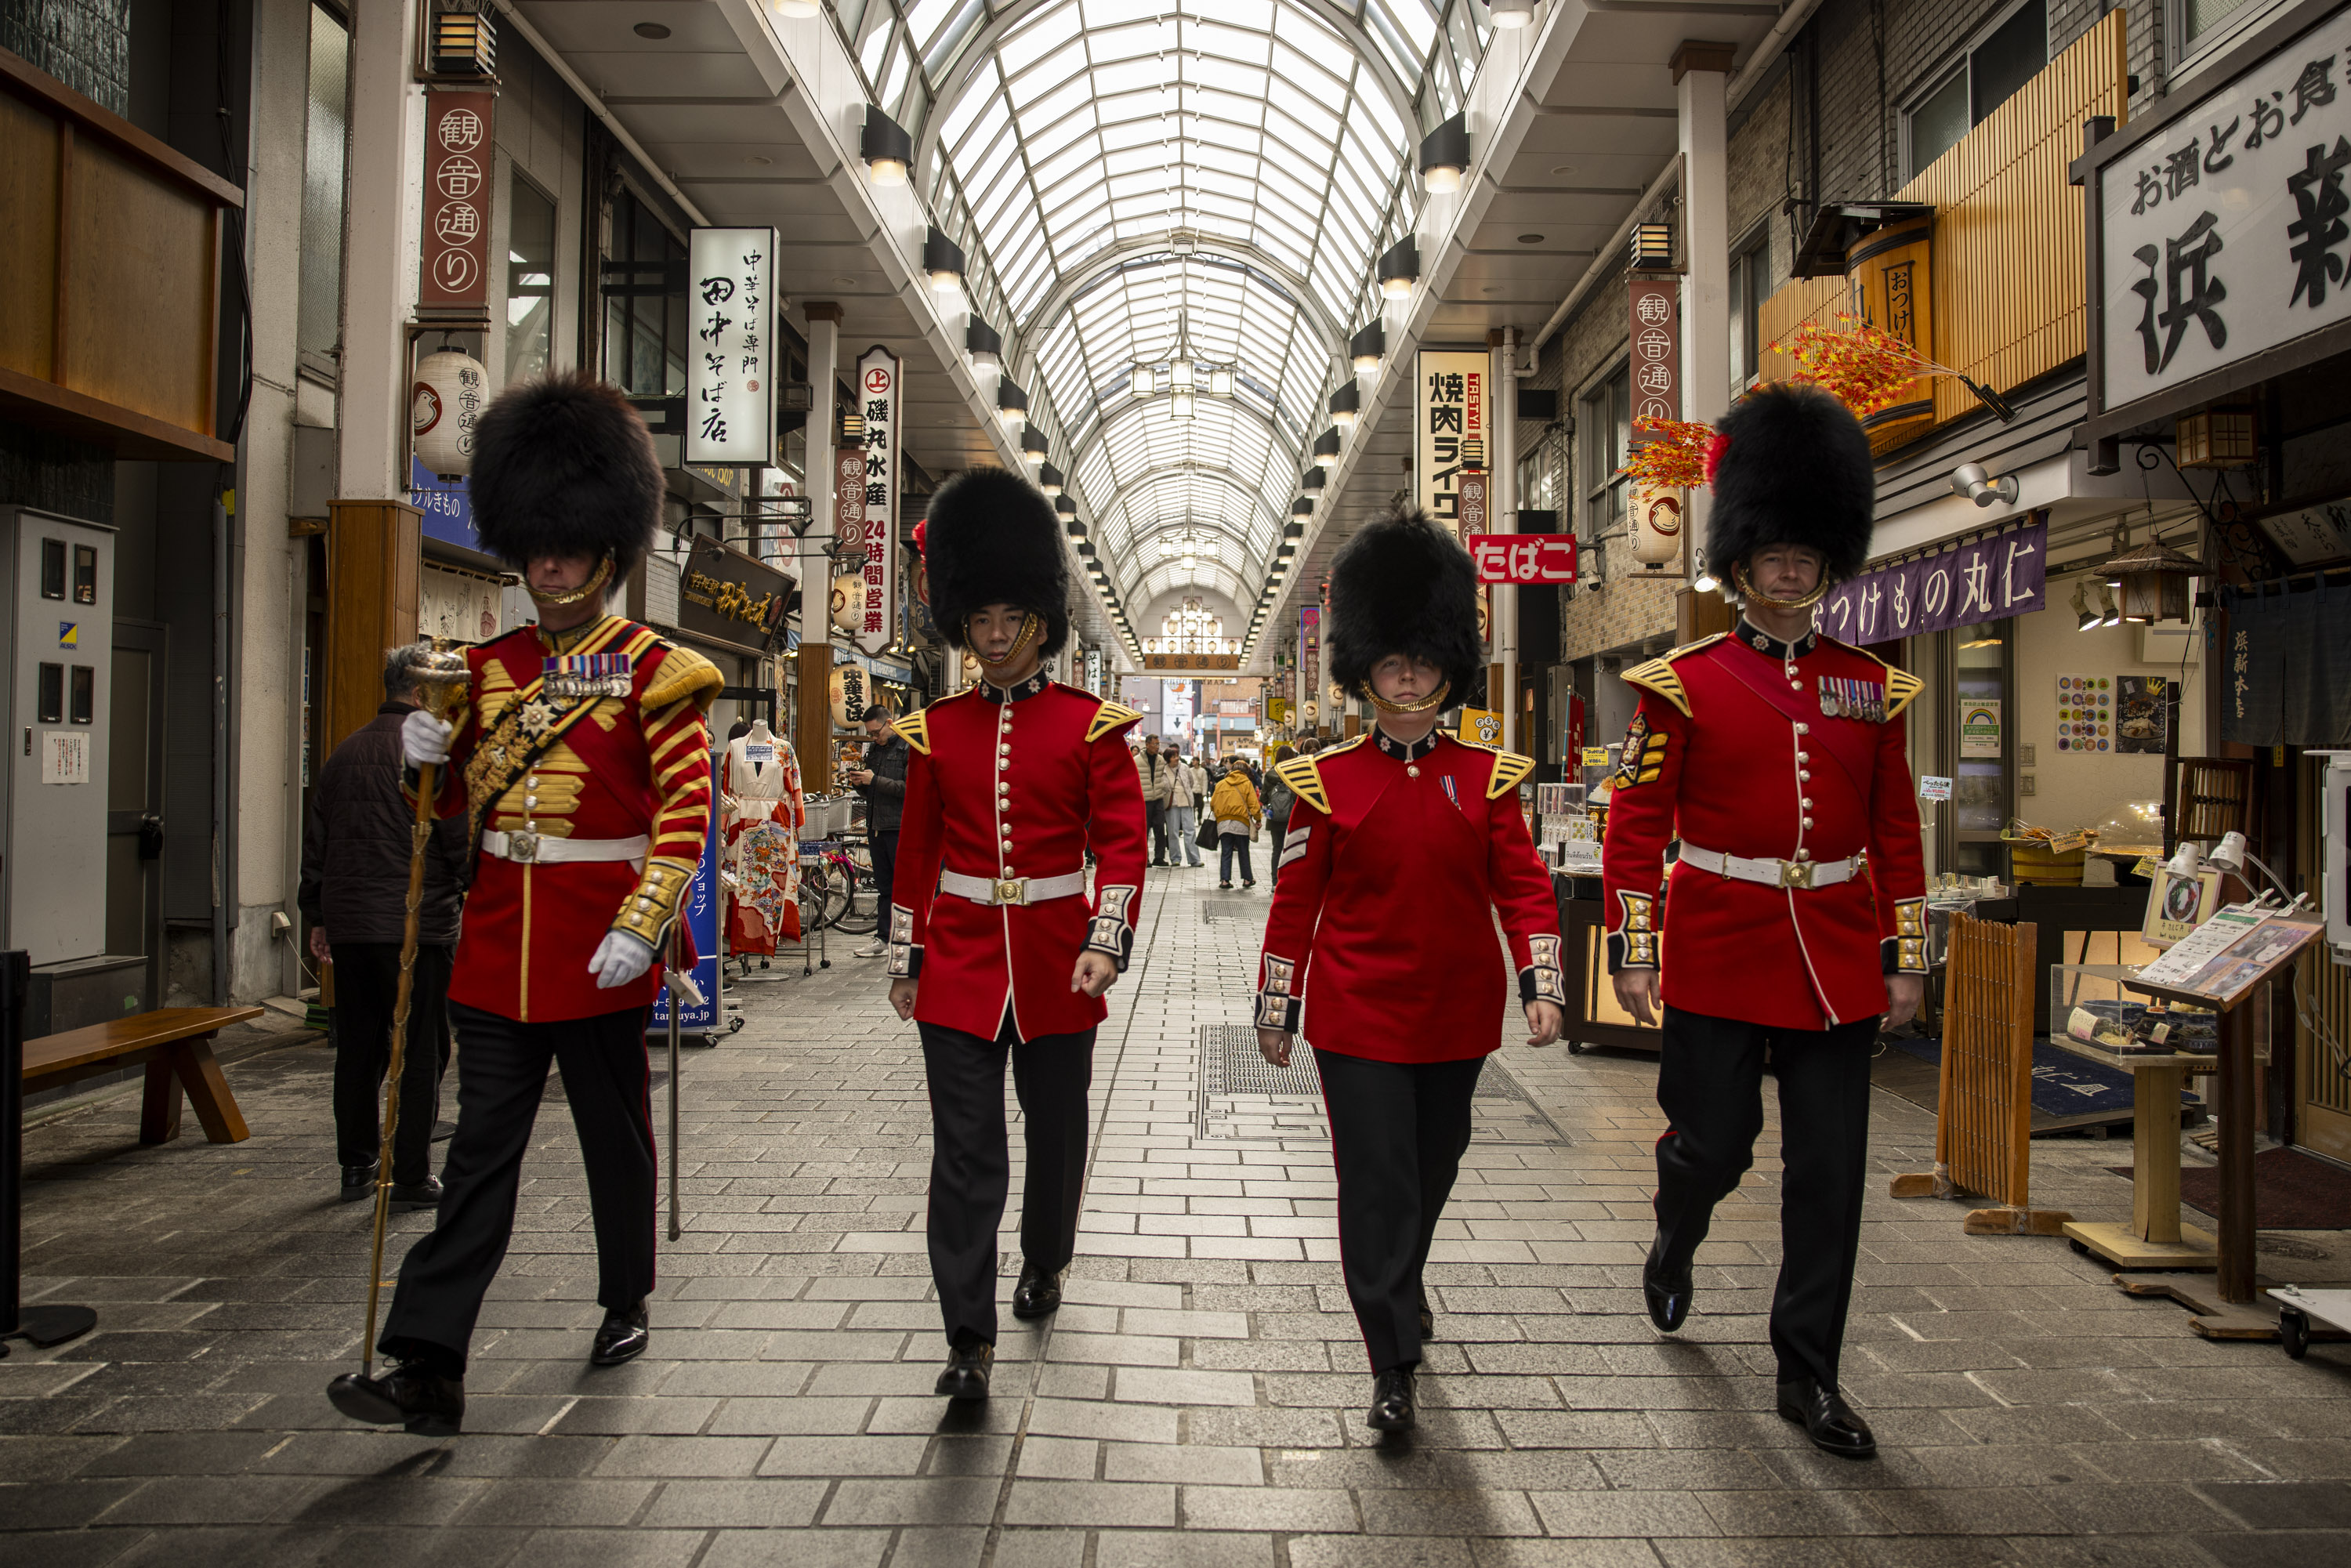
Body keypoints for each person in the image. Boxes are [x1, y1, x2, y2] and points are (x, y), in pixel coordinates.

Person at [328, 371, 722, 1436]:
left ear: (607, 550)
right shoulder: (486, 671)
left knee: (614, 1140)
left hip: (602, 947)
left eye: (570, 548)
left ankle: (625, 1294)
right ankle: (429, 1357)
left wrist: (642, 926)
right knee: (479, 1160)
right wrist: (426, 760)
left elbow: (686, 816)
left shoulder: (659, 673)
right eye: (538, 548)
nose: (551, 566)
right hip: (498, 954)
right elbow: (451, 806)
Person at [1602, 382, 1926, 1462]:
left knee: (1828, 1177)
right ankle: (1677, 1217)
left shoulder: (1872, 690)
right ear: (1739, 564)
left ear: (1828, 565)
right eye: (1771, 556)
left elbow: (1897, 840)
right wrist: (1635, 952)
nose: (1789, 573)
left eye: (1806, 557)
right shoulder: (1683, 684)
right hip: (1720, 949)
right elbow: (1636, 823)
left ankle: (1809, 1373)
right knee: (1717, 1144)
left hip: (1834, 960)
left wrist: (1906, 960)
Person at [1254, 505, 1565, 1435]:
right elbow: (1295, 904)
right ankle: (1390, 1356)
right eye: (1393, 663)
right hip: (1356, 1017)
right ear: (1366, 670)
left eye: (1424, 663)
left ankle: (1403, 1273)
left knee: (1435, 1164)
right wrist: (1279, 1005)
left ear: (1446, 666)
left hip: (1457, 1016)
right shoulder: (1327, 781)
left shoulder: (1489, 777)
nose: (1410, 676)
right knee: (1377, 1178)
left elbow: (1525, 888)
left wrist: (1542, 983)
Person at [886, 467, 1148, 1402]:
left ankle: (1046, 1254)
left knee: (1057, 1133)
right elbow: (914, 860)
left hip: (1054, 963)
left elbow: (1122, 849)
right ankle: (967, 1336)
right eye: (981, 622)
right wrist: (909, 958)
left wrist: (1105, 941)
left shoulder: (1092, 729)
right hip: (957, 962)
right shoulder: (935, 732)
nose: (994, 640)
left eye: (1012, 621)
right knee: (963, 1151)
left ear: (1042, 621)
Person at [299, 644, 471, 1208]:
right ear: (421, 693)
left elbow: (318, 844)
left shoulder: (343, 754)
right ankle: (411, 1172)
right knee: (420, 1048)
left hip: (351, 926)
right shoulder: (432, 753)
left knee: (360, 1046)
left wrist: (318, 915)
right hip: (416, 926)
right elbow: (456, 840)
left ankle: (357, 1163)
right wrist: (469, 885)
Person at [848, 699, 909, 958]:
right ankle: (883, 937)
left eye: (877, 732)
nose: (874, 738)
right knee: (884, 886)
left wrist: (875, 780)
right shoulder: (875, 751)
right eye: (870, 734)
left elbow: (910, 789)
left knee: (904, 885)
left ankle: (907, 938)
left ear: (890, 723)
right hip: (875, 826)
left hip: (899, 826)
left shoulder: (908, 748)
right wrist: (860, 782)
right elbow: (871, 787)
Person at [1211, 759, 1262, 889]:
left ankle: (1225, 881)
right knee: (1243, 850)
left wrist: (1220, 815)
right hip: (1241, 822)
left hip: (1223, 822)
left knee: (1226, 851)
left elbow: (1213, 804)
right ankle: (1247, 879)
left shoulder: (1221, 784)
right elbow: (1253, 804)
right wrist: (1258, 819)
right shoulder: (1246, 783)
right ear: (1246, 772)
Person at [1136, 733, 1175, 866]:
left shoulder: (1161, 760)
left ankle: (1159, 857)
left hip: (1158, 798)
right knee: (1144, 830)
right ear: (1147, 745)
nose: (1158, 747)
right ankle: (1144, 858)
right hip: (1144, 799)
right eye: (1155, 744)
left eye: (1159, 744)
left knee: (1160, 828)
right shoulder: (1137, 761)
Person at [1262, 742, 1297, 878]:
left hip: (1274, 818)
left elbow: (1264, 798)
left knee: (1277, 850)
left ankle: (1275, 881)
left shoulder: (1270, 774)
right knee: (1292, 850)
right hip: (1292, 818)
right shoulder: (1296, 773)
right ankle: (1288, 879)